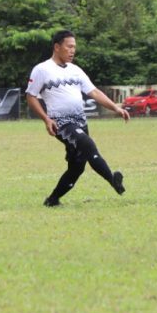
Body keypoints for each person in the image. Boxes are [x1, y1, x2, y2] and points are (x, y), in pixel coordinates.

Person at [26, 30, 129, 207]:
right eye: (69, 46)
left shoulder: (76, 70)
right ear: (57, 47)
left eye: (74, 47)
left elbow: (94, 92)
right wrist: (46, 119)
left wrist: (115, 107)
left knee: (77, 166)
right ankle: (113, 181)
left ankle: (52, 200)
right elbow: (30, 96)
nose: (73, 51)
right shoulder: (42, 70)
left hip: (80, 121)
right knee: (88, 144)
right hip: (61, 123)